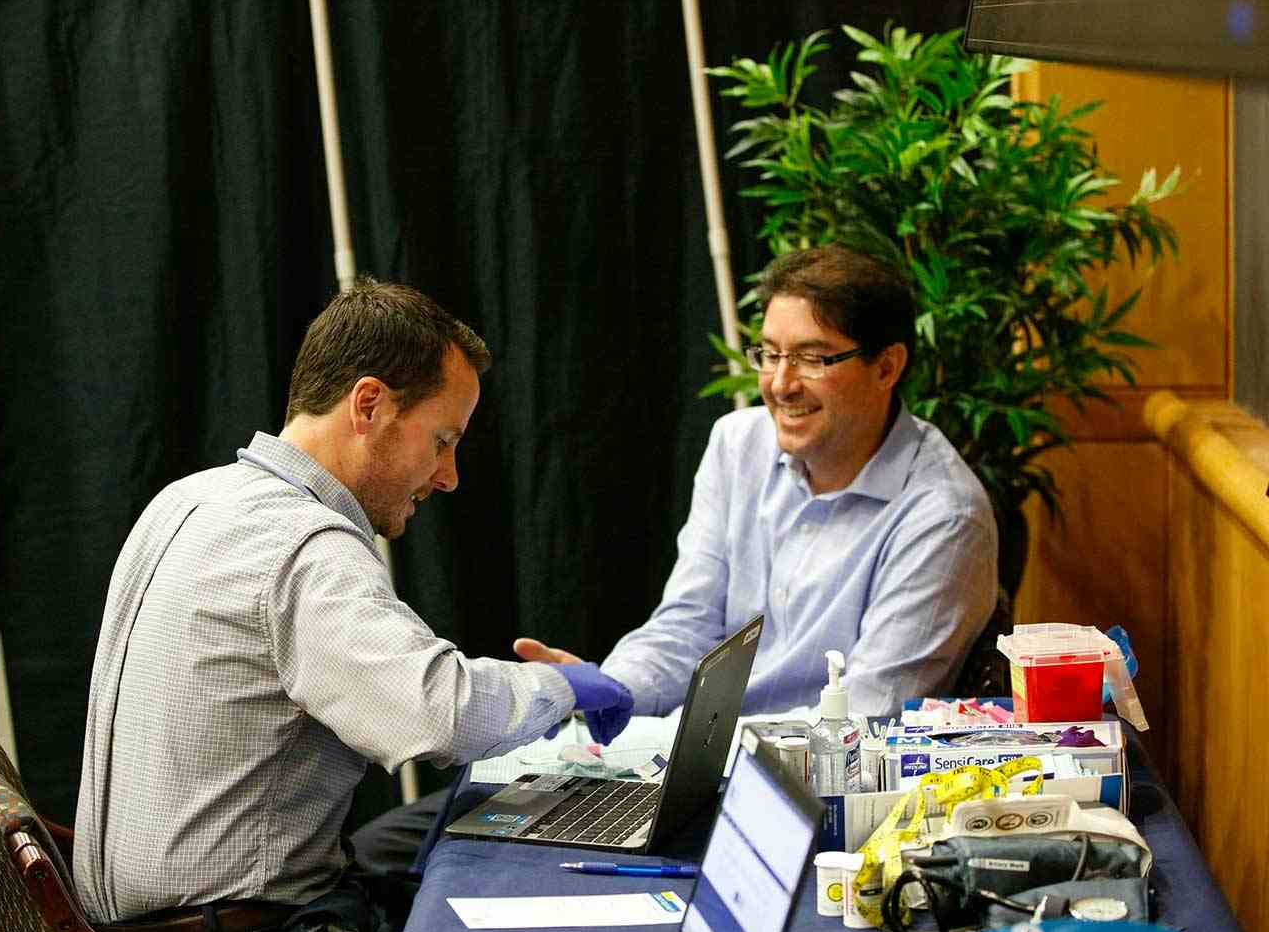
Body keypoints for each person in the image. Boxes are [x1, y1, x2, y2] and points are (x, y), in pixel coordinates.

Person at [72, 277, 633, 932]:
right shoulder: (303, 547)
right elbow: (440, 711)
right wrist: (563, 685)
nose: (449, 476)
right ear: (369, 405)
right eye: (443, 440)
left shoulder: (189, 498)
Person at [352, 243, 998, 869]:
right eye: (768, 353)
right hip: (680, 771)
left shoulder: (943, 515)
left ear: (887, 367)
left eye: (811, 359)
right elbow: (685, 626)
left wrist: (676, 744)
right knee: (400, 847)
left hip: (798, 815)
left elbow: (865, 721)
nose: (778, 383)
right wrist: (606, 691)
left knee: (479, 870)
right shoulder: (737, 444)